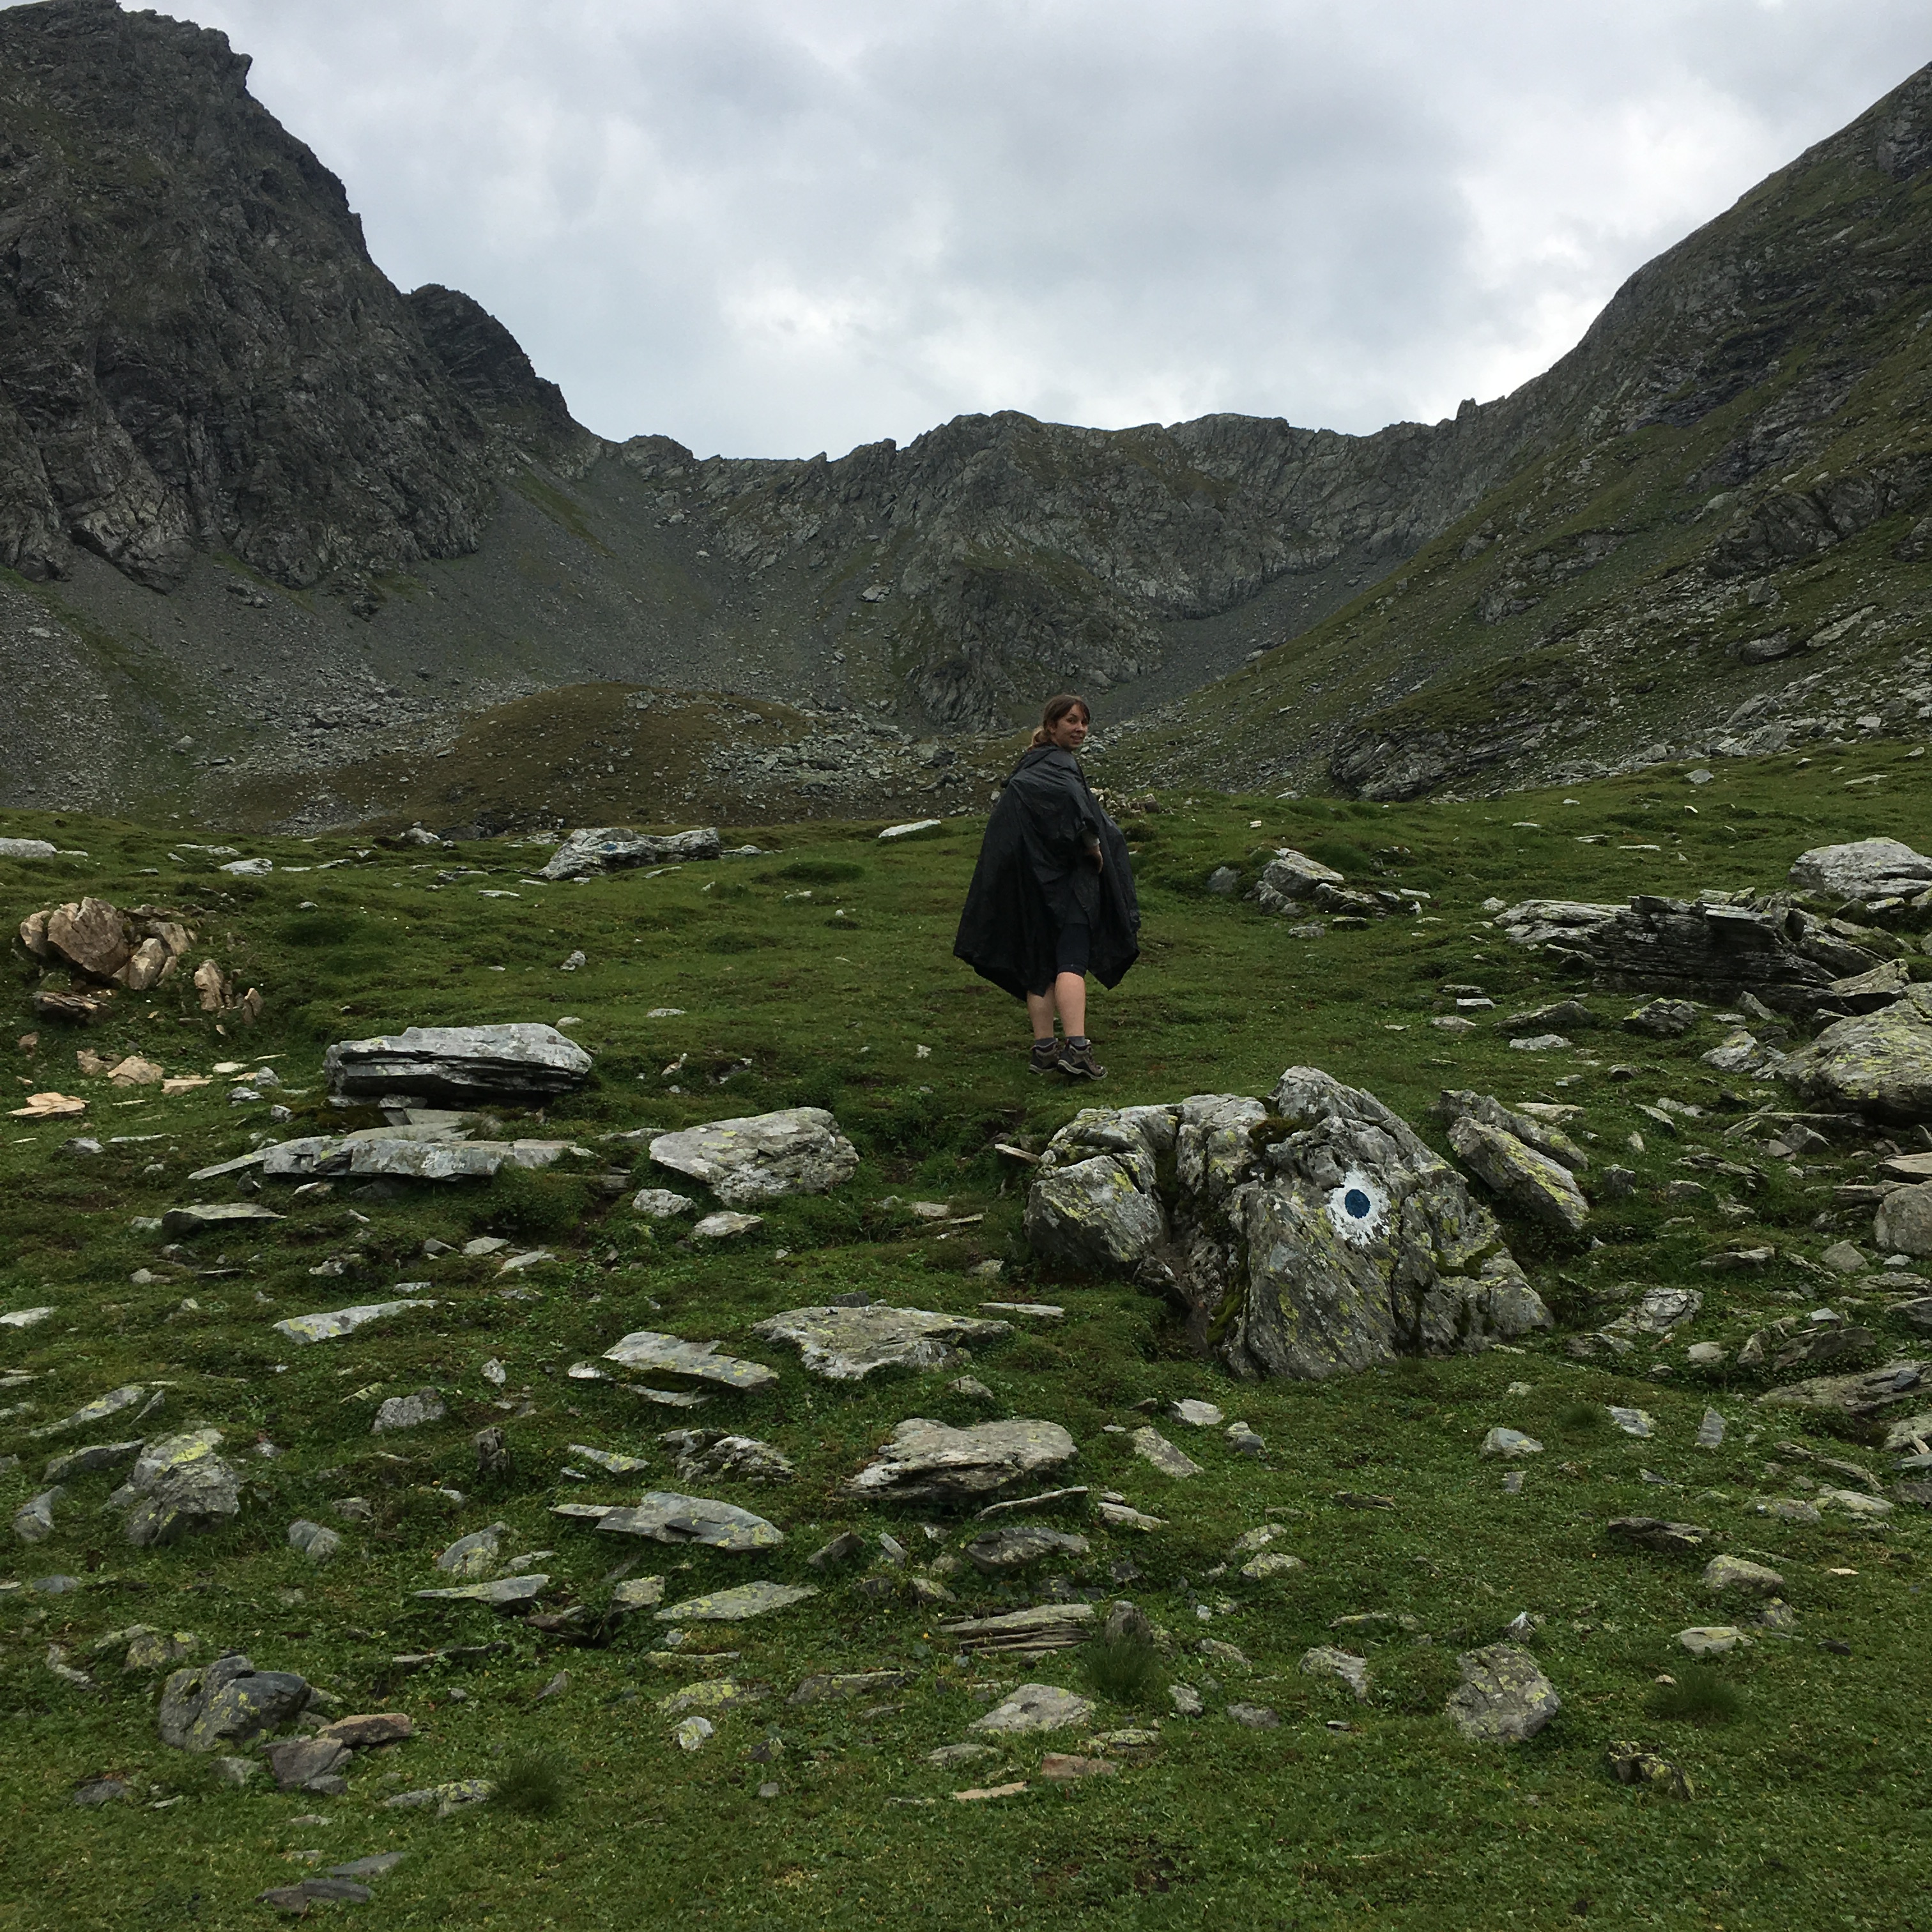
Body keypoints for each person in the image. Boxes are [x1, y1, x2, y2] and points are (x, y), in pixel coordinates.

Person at [953, 693, 1140, 1078]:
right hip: (1067, 884)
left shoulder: (1027, 769)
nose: (1081, 729)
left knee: (1040, 965)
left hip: (1032, 886)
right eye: (1072, 721)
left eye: (1085, 722)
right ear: (1051, 726)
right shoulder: (1060, 765)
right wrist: (1093, 846)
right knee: (1071, 961)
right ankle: (1077, 1049)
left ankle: (1043, 1050)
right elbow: (1077, 809)